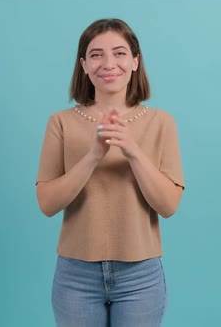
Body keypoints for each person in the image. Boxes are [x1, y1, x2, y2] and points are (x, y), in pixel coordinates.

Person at [36, 18, 185, 327]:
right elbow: (47, 203)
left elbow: (168, 205)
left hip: (140, 274)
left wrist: (132, 150)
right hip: (76, 274)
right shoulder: (60, 122)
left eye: (119, 53)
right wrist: (93, 156)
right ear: (84, 64)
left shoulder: (161, 122)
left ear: (135, 61)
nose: (108, 63)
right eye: (95, 54)